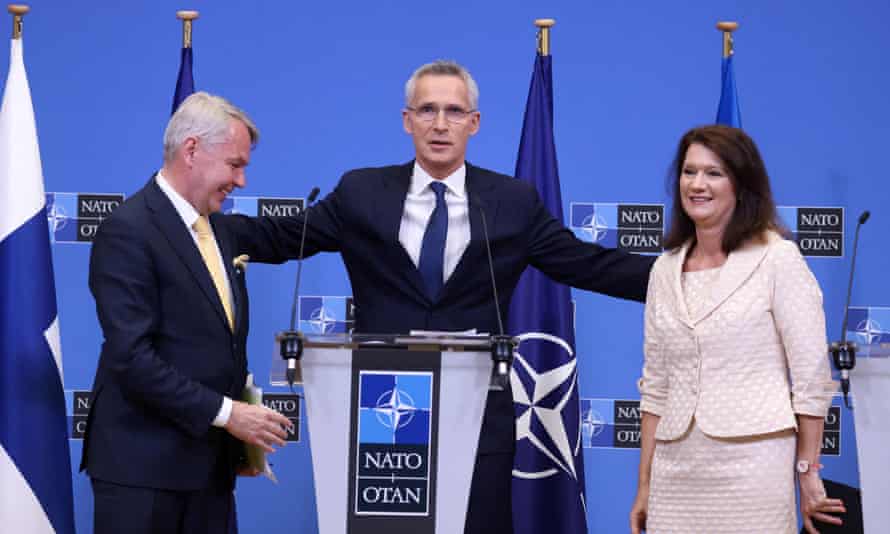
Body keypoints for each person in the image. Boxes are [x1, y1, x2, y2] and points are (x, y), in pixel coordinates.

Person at [225, 60, 655, 534]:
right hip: (385, 410)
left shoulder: (511, 201)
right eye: (427, 110)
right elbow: (281, 237)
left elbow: (588, 264)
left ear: (474, 123)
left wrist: (692, 274)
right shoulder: (361, 192)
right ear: (407, 120)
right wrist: (195, 220)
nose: (440, 124)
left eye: (454, 111)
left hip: (477, 417)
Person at [81, 92, 292, 534]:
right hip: (143, 475)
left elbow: (293, 234)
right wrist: (230, 415)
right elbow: (132, 359)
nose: (241, 181)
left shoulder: (220, 230)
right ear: (192, 150)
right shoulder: (128, 230)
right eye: (235, 164)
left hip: (209, 474)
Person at [630, 125, 845, 534]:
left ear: (741, 185)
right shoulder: (664, 270)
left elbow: (811, 379)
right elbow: (656, 387)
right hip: (674, 473)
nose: (697, 184)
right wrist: (645, 486)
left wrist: (807, 471)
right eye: (689, 172)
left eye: (714, 173)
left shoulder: (778, 259)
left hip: (753, 468)